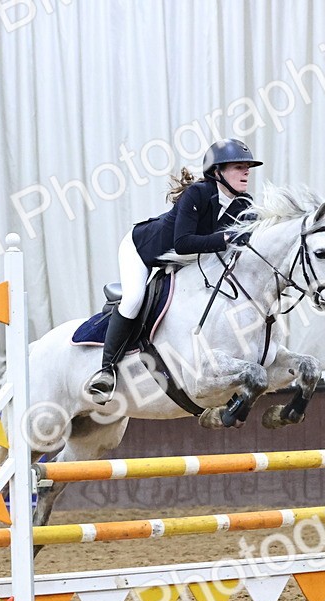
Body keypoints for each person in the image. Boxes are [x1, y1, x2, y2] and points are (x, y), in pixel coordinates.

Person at [87, 138, 263, 403]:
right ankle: (107, 371)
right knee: (134, 299)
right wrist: (225, 240)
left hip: (182, 262)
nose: (247, 172)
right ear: (217, 172)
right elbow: (182, 243)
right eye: (239, 167)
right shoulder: (198, 194)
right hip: (143, 250)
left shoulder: (243, 204)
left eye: (248, 167)